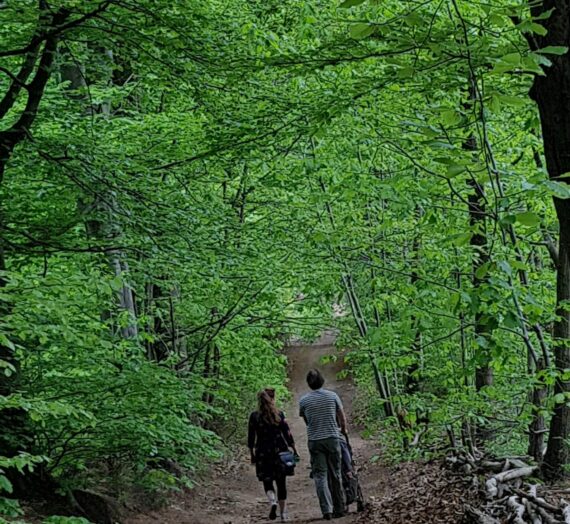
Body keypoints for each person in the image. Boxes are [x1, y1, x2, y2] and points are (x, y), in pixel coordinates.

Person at [299, 369, 347, 520]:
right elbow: (341, 417)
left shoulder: (304, 400)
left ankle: (326, 510)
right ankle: (339, 508)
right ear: (322, 380)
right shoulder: (332, 396)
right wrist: (343, 430)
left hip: (315, 441)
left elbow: (307, 421)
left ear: (308, 383)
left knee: (320, 476)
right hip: (332, 438)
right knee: (336, 473)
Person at [248, 388, 297, 522]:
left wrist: (252, 454)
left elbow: (251, 438)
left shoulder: (254, 416)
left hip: (263, 452)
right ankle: (283, 514)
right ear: (272, 399)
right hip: (279, 451)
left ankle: (272, 501)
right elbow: (287, 434)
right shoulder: (279, 414)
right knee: (281, 483)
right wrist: (294, 449)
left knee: (267, 481)